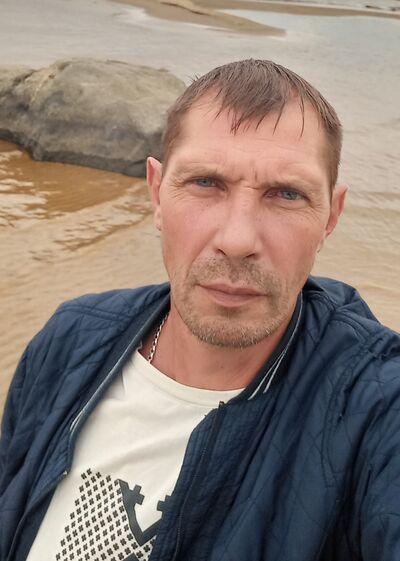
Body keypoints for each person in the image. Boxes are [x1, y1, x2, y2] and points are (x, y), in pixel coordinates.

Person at [0, 59, 399, 561]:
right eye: (206, 183)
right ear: (156, 193)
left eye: (287, 194)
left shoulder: (376, 405)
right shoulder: (69, 339)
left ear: (330, 217)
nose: (237, 240)